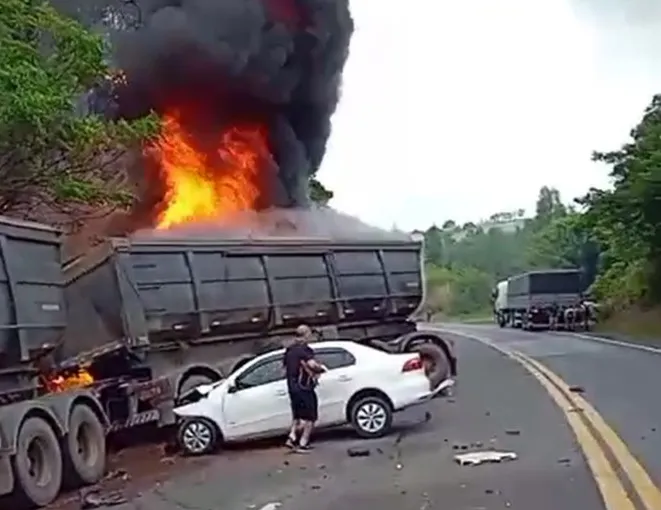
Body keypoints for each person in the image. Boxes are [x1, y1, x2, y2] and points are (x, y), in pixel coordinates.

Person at [283, 324, 326, 453]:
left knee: (297, 415)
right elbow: (311, 364)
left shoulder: (289, 350)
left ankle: (291, 437)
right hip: (304, 387)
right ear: (306, 335)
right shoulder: (305, 350)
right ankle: (303, 442)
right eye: (309, 334)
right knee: (310, 416)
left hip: (292, 386)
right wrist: (321, 368)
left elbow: (285, 368)